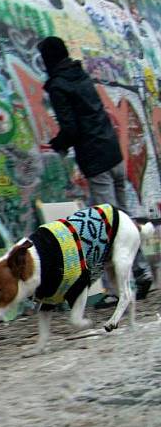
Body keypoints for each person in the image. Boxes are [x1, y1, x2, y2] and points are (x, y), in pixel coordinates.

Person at [38, 36, 153, 303]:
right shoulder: (81, 75)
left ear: (48, 60)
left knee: (109, 228)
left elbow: (71, 128)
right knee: (123, 218)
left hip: (96, 161)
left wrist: (58, 144)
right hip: (114, 154)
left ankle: (116, 291)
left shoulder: (58, 86)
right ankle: (142, 271)